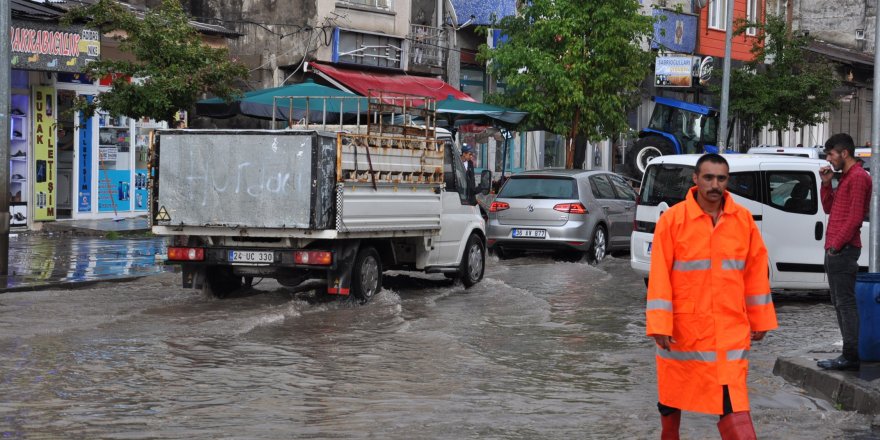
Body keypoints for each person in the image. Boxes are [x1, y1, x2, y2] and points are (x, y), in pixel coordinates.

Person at [646, 153, 778, 439]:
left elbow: (755, 273)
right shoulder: (673, 220)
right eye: (708, 177)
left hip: (730, 329)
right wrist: (659, 324)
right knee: (672, 396)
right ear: (695, 179)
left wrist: (760, 319)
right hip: (683, 330)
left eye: (721, 178)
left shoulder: (742, 220)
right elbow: (659, 275)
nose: (714, 184)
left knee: (733, 399)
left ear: (727, 181)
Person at [817, 133, 872, 371]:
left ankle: (850, 356)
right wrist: (827, 183)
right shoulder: (847, 177)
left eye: (831, 154)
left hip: (844, 249)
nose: (829, 159)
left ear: (844, 153)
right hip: (837, 248)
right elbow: (830, 207)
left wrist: (835, 246)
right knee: (839, 302)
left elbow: (855, 218)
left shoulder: (858, 177)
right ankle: (848, 355)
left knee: (845, 303)